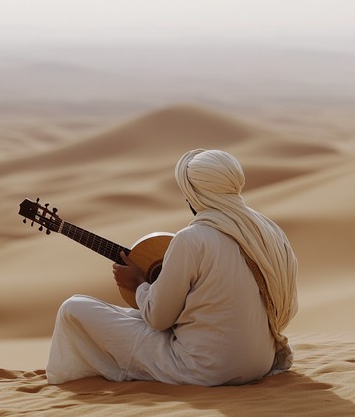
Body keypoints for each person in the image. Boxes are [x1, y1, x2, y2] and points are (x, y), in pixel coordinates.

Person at [46, 149, 298, 386]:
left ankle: (73, 383)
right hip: (261, 363)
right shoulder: (267, 232)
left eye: (188, 192)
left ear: (195, 194)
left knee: (73, 308)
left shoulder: (192, 238)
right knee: (129, 317)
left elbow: (158, 319)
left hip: (205, 369)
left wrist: (139, 286)